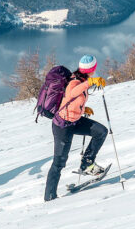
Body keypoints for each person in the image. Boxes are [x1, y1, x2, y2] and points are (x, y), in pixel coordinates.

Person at [44, 55, 108, 201]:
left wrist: (83, 109)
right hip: (62, 126)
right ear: (92, 69)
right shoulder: (75, 81)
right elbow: (72, 92)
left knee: (101, 132)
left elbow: (71, 100)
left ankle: (87, 164)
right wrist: (90, 82)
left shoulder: (82, 79)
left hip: (75, 120)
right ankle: (49, 196)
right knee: (59, 163)